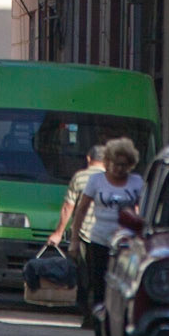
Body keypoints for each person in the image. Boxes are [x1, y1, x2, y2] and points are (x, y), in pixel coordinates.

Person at [68, 137, 144, 321]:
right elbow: (81, 210)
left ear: (130, 165)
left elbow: (143, 212)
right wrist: (75, 240)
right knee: (99, 286)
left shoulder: (136, 182)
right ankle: (100, 332)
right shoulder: (96, 181)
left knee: (123, 287)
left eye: (124, 165)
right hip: (100, 239)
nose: (119, 169)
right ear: (108, 162)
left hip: (126, 242)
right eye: (116, 164)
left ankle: (119, 326)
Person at [48, 139, 108, 326]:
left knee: (84, 276)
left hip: (84, 236)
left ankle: (88, 314)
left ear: (88, 158)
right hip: (105, 236)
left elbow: (68, 208)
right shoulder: (112, 179)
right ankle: (100, 313)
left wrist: (58, 233)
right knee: (102, 275)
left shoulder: (80, 177)